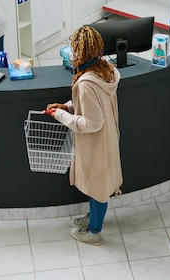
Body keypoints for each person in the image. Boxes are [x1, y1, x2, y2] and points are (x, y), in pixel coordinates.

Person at [46, 25, 123, 246]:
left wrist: (61, 115)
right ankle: (93, 217)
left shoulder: (85, 84)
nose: (72, 55)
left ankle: (94, 232)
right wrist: (69, 106)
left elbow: (92, 121)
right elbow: (93, 106)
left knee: (97, 186)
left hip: (95, 141)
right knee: (97, 183)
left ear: (83, 52)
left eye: (75, 50)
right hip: (107, 137)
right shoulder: (106, 69)